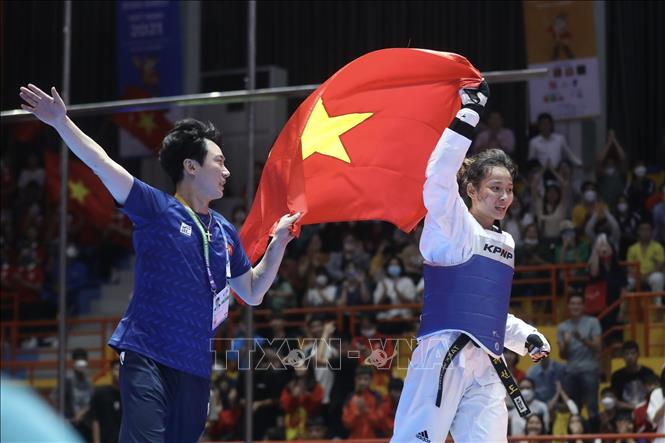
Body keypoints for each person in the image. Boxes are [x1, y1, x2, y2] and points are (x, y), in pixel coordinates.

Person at [19, 83, 300, 443]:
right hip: (147, 354)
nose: (227, 171)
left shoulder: (225, 231)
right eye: (219, 161)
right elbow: (102, 164)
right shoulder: (156, 208)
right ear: (191, 166)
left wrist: (278, 244)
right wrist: (61, 122)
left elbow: (253, 291)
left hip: (194, 367)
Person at [390, 81, 550, 443]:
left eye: (509, 189)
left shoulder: (506, 242)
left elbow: (486, 311)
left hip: (488, 362)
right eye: (495, 188)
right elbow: (437, 177)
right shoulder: (451, 223)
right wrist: (469, 113)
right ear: (471, 190)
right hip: (442, 356)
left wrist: (525, 336)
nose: (504, 197)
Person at [557, 293, 602, 431]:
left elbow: (598, 347)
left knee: (592, 408)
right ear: (568, 306)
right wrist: (566, 343)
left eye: (578, 304)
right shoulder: (562, 327)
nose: (575, 306)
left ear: (583, 306)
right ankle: (575, 437)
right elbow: (562, 355)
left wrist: (581, 338)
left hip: (590, 371)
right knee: (573, 409)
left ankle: (595, 438)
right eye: (572, 303)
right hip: (571, 372)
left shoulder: (592, 322)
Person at [610, 341, 657, 411]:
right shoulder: (617, 376)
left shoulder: (648, 373)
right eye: (627, 354)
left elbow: (654, 396)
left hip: (646, 410)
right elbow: (615, 400)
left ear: (638, 354)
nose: (630, 357)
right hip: (624, 412)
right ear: (622, 356)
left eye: (633, 353)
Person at [89, 359, 122, 443]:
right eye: (116, 369)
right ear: (111, 371)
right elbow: (95, 420)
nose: (118, 373)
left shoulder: (129, 396)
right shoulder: (100, 394)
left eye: (121, 370)